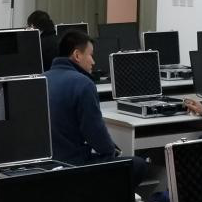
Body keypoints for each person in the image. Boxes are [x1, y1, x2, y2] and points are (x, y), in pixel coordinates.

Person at [45, 30, 147, 187]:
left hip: (45, 166)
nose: (93, 62)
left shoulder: (41, 79)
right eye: (90, 55)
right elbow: (95, 134)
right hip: (73, 166)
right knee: (138, 164)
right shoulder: (83, 83)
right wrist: (112, 152)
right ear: (77, 55)